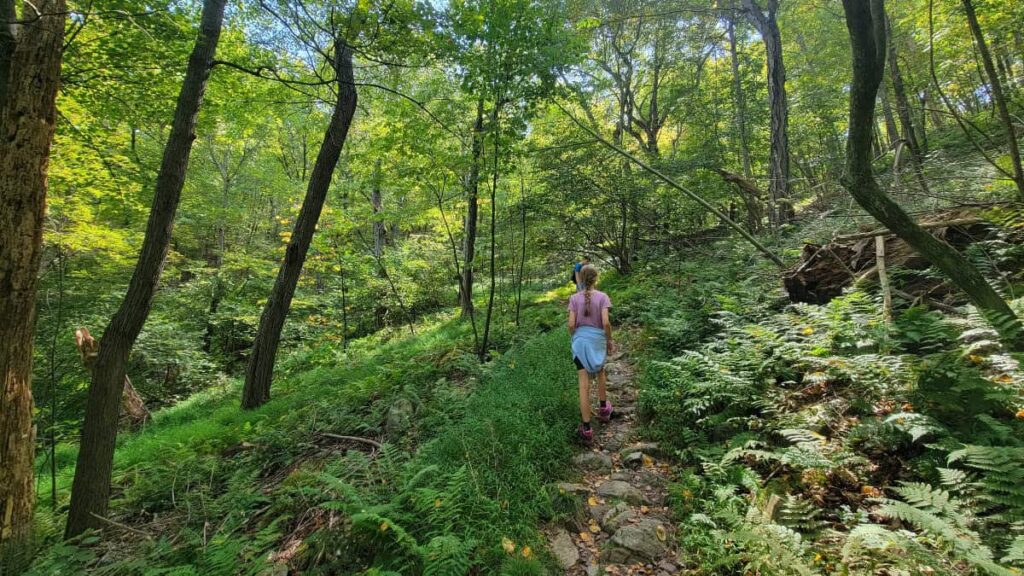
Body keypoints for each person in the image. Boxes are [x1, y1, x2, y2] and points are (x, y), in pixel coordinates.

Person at [567, 264, 614, 444]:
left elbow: (571, 325)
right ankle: (604, 409)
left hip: (580, 343)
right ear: (596, 279)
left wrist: (576, 337)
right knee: (600, 372)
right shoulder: (603, 297)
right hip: (597, 341)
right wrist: (609, 340)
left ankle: (586, 428)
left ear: (581, 279)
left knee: (583, 384)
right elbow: (606, 323)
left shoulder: (573, 298)